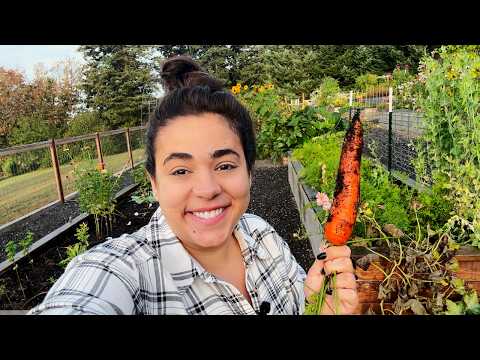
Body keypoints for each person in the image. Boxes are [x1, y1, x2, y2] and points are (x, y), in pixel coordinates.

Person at [28, 56, 358, 315]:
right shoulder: (123, 271)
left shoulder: (264, 236)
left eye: (225, 165)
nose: (206, 188)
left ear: (249, 172)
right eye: (181, 170)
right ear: (154, 184)